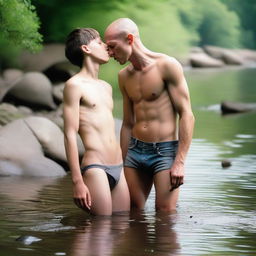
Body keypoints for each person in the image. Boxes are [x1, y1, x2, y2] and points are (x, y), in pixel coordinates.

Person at [104, 18, 195, 212]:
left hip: (165, 152)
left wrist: (179, 162)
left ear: (129, 39)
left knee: (165, 214)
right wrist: (121, 160)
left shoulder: (167, 66)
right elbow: (128, 123)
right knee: (133, 212)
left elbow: (187, 114)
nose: (109, 53)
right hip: (135, 152)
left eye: (112, 46)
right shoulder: (123, 76)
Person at [63, 28, 130, 216]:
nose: (105, 46)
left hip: (118, 166)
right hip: (96, 167)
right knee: (101, 229)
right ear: (86, 48)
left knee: (122, 226)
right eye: (99, 42)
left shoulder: (106, 87)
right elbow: (69, 133)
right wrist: (77, 181)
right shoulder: (74, 85)